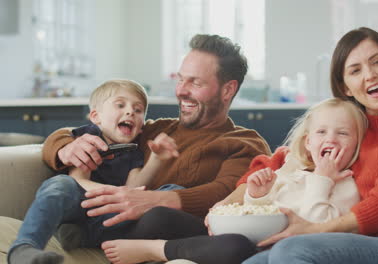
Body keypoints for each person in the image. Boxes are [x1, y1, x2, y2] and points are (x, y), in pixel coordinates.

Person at [39, 34, 270, 261]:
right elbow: (78, 131)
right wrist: (64, 148)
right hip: (120, 230)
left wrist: (155, 200)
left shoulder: (245, 143)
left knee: (167, 220)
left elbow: (226, 193)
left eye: (195, 82)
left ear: (227, 89)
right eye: (180, 79)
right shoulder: (152, 131)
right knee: (153, 217)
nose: (181, 91)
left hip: (189, 233)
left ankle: (148, 247)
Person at [239, 27, 378, 264]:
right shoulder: (351, 126)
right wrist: (232, 197)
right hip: (352, 240)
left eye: (377, 62)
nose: (370, 75)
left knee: (291, 250)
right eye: (355, 70)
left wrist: (315, 230)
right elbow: (285, 159)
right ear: (345, 87)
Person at [95, 98, 368, 264]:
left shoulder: (346, 186)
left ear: (358, 144)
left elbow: (319, 228)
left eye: (342, 133)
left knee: (232, 247)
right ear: (309, 142)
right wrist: (257, 195)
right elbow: (263, 210)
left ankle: (154, 251)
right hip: (243, 231)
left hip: (256, 247)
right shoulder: (291, 169)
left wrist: (322, 181)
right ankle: (118, 245)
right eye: (322, 132)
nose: (330, 139)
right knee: (159, 217)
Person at [7, 79, 180, 264]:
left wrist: (156, 159)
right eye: (120, 105)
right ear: (96, 116)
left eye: (138, 110)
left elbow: (135, 186)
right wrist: (118, 195)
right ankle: (24, 248)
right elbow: (79, 181)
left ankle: (82, 235)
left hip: (111, 216)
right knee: (61, 184)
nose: (130, 111)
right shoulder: (88, 139)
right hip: (82, 206)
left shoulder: (134, 149)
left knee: (174, 191)